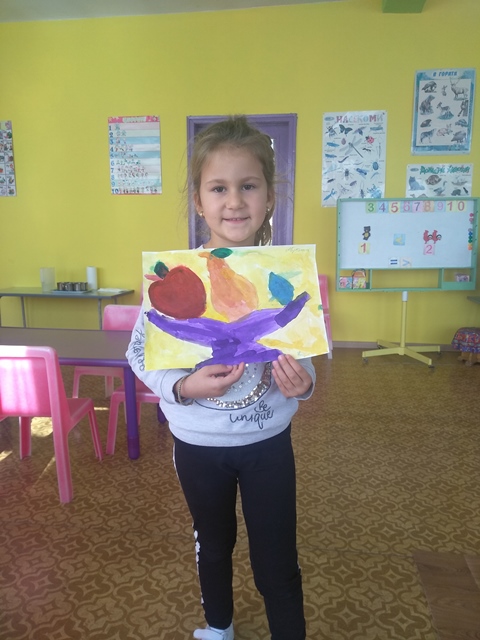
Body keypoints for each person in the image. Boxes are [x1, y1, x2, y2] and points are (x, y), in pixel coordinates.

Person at [126, 115, 315, 640]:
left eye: (248, 186)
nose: (234, 201)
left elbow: (301, 354)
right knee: (212, 544)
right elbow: (140, 353)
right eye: (219, 188)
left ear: (269, 197)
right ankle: (218, 626)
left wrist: (305, 383)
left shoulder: (285, 276)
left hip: (268, 443)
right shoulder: (172, 279)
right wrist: (182, 387)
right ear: (199, 201)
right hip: (197, 444)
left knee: (277, 557)